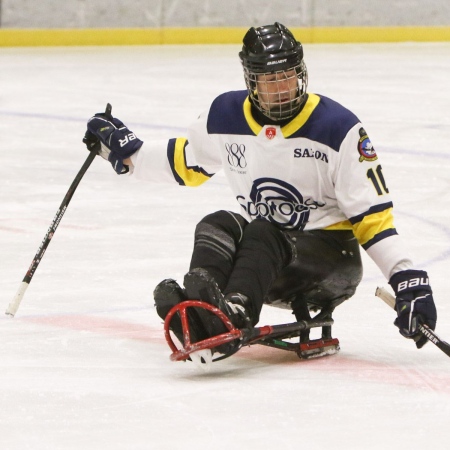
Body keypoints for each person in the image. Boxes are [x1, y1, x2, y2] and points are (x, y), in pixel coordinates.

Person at [83, 22, 437, 358]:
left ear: (301, 73)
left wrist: (408, 281)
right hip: (267, 259)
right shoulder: (225, 115)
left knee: (263, 230)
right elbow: (184, 164)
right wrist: (125, 153)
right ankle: (203, 308)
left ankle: (235, 313)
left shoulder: (338, 128)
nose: (282, 87)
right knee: (218, 222)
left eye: (288, 76)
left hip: (331, 263)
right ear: (251, 81)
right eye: (270, 79)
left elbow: (372, 218)